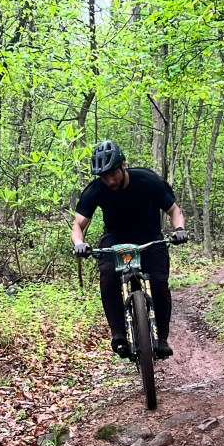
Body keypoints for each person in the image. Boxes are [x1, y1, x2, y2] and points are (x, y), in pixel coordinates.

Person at [71, 140, 187, 359]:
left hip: (149, 237)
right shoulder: (96, 189)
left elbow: (174, 211)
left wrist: (179, 230)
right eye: (104, 177)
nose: (109, 181)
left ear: (123, 165)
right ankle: (119, 334)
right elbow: (78, 225)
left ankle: (161, 339)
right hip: (115, 238)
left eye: (113, 174)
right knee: (108, 278)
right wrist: (79, 244)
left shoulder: (147, 180)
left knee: (159, 282)